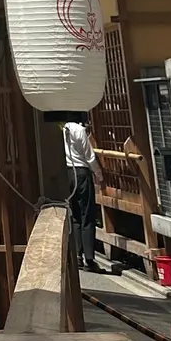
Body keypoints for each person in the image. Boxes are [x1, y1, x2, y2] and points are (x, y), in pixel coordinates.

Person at [64, 116, 103, 272]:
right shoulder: (79, 130)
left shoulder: (61, 129)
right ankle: (89, 258)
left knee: (74, 215)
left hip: (67, 173)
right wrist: (99, 175)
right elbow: (89, 156)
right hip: (81, 172)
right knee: (87, 214)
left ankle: (77, 256)